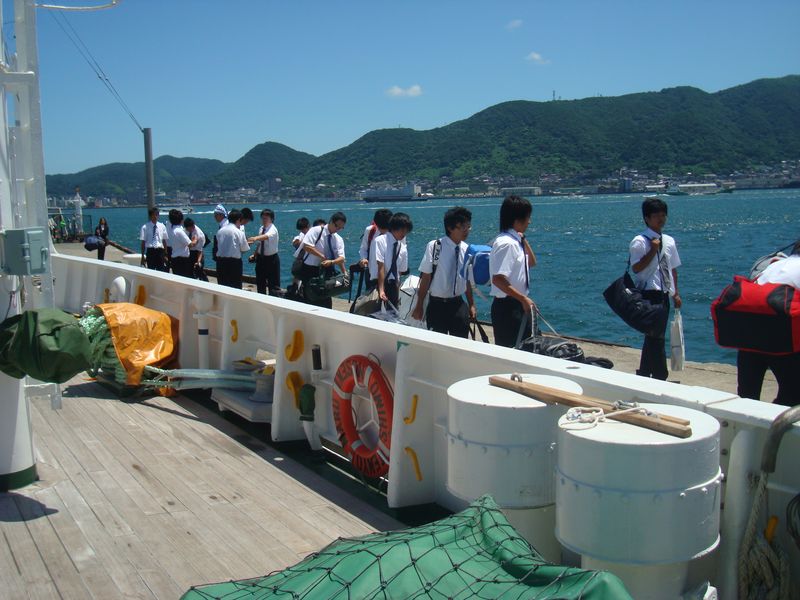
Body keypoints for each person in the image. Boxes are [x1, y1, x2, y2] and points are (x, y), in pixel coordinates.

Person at [737, 241, 800, 406]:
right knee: (793, 395)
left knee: (747, 396)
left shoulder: (775, 265)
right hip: (779, 335)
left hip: (747, 333)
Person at [629, 197, 682, 380]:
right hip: (648, 293)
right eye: (656, 215)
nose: (661, 218)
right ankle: (660, 375)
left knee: (654, 335)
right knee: (656, 336)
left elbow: (672, 269)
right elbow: (636, 268)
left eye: (663, 215)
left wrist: (676, 293)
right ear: (647, 218)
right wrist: (652, 250)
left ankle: (645, 372)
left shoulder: (669, 241)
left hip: (664, 292)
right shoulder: (640, 241)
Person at [412, 207, 477, 337]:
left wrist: (471, 304)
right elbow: (426, 278)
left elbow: (467, 280)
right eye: (463, 227)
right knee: (436, 343)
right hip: (437, 305)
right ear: (450, 228)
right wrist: (419, 305)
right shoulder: (435, 246)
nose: (467, 230)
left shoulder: (468, 250)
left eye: (468, 227)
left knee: (459, 343)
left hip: (458, 304)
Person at [489, 195, 537, 347]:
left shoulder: (515, 241)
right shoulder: (507, 244)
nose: (529, 222)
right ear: (517, 219)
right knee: (514, 349)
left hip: (517, 304)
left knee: (528, 346)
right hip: (508, 307)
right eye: (527, 217)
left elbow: (531, 262)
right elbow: (498, 279)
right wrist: (523, 298)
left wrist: (523, 239)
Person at [298, 212, 347, 308]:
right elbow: (307, 246)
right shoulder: (316, 230)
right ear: (331, 221)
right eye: (337, 226)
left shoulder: (338, 239)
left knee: (326, 299)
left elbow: (341, 258)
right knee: (309, 298)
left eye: (341, 228)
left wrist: (342, 271)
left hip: (327, 270)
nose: (338, 229)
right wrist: (322, 256)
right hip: (310, 270)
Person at [374, 213, 412, 309]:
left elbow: (400, 272)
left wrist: (397, 291)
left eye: (406, 231)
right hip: (378, 283)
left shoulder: (402, 248)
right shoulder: (380, 241)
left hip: (393, 286)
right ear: (394, 227)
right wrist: (381, 290)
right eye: (402, 230)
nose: (404, 234)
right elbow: (380, 266)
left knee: (392, 314)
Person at [248, 208, 280, 295]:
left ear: (271, 219)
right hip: (261, 258)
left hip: (271, 259)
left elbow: (266, 236)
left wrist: (255, 238)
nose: (264, 220)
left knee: (273, 285)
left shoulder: (273, 229)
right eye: (262, 218)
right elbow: (260, 244)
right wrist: (254, 254)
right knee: (260, 282)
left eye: (266, 218)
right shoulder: (261, 228)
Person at [214, 209, 249, 289]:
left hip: (220, 262)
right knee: (235, 287)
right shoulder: (239, 232)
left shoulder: (220, 231)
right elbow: (244, 249)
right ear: (238, 220)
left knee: (222, 286)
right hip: (234, 263)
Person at [139, 207, 168, 271]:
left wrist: (166, 254)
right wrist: (142, 256)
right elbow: (143, 242)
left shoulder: (162, 226)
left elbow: (164, 240)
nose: (155, 217)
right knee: (151, 270)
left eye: (157, 214)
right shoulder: (145, 227)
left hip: (160, 251)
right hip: (151, 251)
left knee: (161, 271)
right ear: (150, 216)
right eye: (153, 215)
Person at [167, 209, 193, 278]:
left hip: (174, 259)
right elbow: (190, 244)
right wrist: (195, 240)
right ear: (181, 220)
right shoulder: (179, 231)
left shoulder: (171, 230)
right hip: (182, 261)